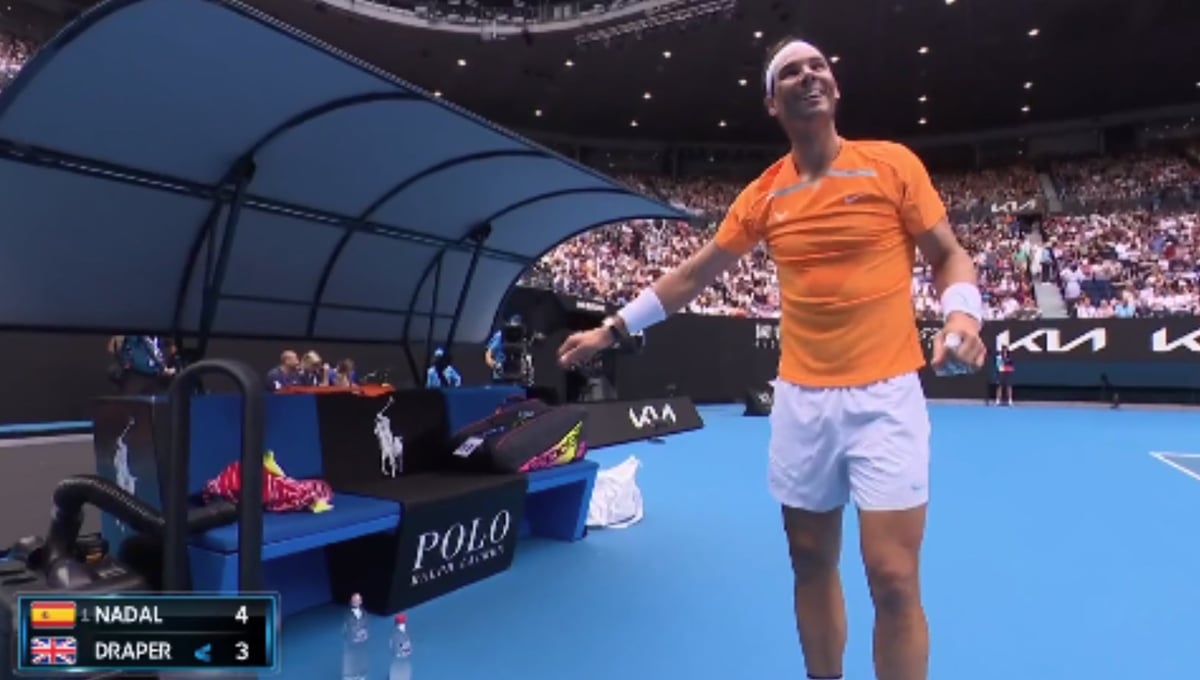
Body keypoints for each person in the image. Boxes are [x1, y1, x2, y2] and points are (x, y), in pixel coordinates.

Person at [557, 37, 987, 680]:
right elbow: (694, 274)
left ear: (835, 88)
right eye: (790, 72)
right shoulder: (763, 195)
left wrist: (962, 317)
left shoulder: (892, 165)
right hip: (801, 403)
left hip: (886, 398)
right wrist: (613, 328)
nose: (809, 75)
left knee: (893, 575)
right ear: (772, 102)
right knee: (810, 560)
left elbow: (948, 254)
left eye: (819, 67)